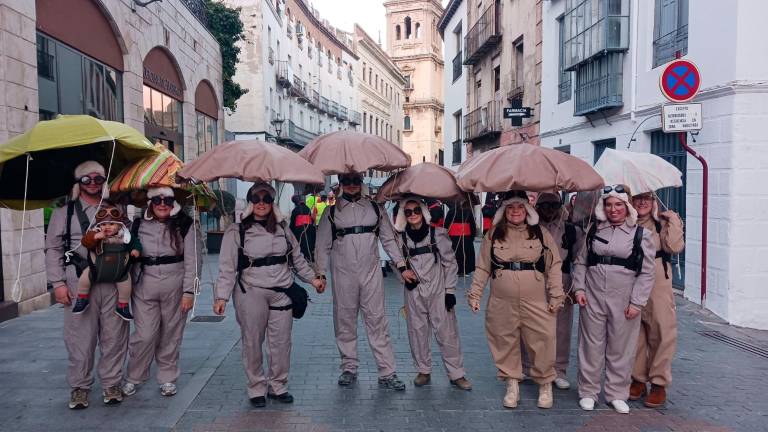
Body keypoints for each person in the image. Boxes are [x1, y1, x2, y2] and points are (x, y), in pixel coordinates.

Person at [214, 183, 324, 407]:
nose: (261, 203)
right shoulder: (237, 231)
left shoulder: (283, 228)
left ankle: (278, 386)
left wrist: (313, 279)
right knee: (253, 341)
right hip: (251, 291)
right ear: (250, 202)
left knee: (281, 343)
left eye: (266, 198)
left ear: (272, 202)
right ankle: (256, 387)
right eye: (256, 198)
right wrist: (221, 297)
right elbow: (227, 267)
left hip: (282, 290)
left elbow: (297, 258)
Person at [315, 172, 417, 390]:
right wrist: (320, 273)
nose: (351, 185)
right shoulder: (331, 213)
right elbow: (322, 245)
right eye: (347, 181)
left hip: (370, 274)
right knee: (344, 321)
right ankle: (348, 368)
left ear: (361, 183)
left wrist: (402, 266)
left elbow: (389, 240)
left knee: (377, 321)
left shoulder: (375, 209)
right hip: (343, 275)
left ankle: (387, 372)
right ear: (341, 184)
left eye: (355, 181)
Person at [468, 190, 564, 409]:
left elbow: (555, 264)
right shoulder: (493, 234)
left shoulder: (540, 233)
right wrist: (475, 294)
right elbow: (483, 266)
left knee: (543, 340)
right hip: (502, 301)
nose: (515, 212)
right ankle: (512, 384)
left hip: (536, 300)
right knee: (504, 340)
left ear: (527, 209)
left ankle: (545, 384)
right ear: (504, 211)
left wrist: (557, 294)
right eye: (510, 208)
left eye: (520, 207)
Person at [45, 160, 129, 409]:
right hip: (78, 282)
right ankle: (80, 387)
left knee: (115, 335)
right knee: (79, 337)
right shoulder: (64, 213)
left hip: (113, 281)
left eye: (99, 178)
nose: (93, 183)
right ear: (79, 182)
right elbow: (53, 249)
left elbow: (129, 240)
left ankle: (112, 383)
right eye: (87, 179)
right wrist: (57, 283)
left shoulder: (116, 209)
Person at [572, 185, 656, 414]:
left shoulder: (641, 234)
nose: (613, 209)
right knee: (590, 346)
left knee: (621, 348)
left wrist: (637, 302)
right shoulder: (593, 230)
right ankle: (588, 391)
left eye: (618, 204)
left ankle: (617, 393)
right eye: (609, 204)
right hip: (593, 295)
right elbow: (581, 261)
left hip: (624, 297)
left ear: (627, 207)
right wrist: (579, 289)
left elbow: (647, 272)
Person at [122, 187, 201, 398]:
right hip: (144, 284)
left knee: (171, 335)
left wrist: (189, 292)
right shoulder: (138, 225)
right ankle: (134, 376)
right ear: (150, 202)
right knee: (144, 335)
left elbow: (193, 261)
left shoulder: (185, 225)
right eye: (157, 199)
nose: (162, 204)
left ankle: (167, 377)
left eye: (167, 200)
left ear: (174, 202)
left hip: (174, 284)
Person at [395, 197, 472, 390]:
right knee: (417, 332)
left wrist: (450, 290)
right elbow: (395, 262)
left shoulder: (438, 234)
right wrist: (403, 276)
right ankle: (423, 371)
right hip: (414, 293)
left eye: (416, 211)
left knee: (448, 334)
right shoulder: (400, 238)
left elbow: (450, 263)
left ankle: (457, 374)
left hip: (438, 291)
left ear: (423, 212)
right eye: (408, 212)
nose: (413, 215)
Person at [629, 191, 685, 407]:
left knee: (662, 331)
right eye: (637, 198)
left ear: (653, 201)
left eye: (647, 198)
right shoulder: (626, 222)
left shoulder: (661, 223)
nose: (642, 202)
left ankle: (659, 383)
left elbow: (674, 247)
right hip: (631, 278)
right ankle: (638, 379)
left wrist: (674, 220)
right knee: (634, 333)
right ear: (631, 201)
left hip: (657, 279)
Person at [533, 193, 581, 390]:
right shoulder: (530, 227)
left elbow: (580, 259)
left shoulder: (570, 229)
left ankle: (559, 370)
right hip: (535, 279)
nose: (549, 209)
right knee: (532, 325)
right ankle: (532, 367)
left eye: (553, 205)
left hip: (562, 279)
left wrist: (576, 287)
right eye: (544, 205)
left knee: (561, 328)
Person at [71, 202, 141, 321]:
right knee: (84, 279)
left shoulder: (125, 236)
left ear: (119, 226)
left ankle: (123, 306)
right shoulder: (95, 234)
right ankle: (82, 298)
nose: (107, 227)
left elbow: (136, 243)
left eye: (112, 224)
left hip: (120, 272)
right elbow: (85, 242)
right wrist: (95, 237)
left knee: (126, 284)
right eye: (103, 224)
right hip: (96, 269)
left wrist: (136, 250)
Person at [445, 200, 477, 276]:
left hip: (454, 237)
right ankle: (465, 270)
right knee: (465, 254)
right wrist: (472, 236)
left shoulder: (451, 211)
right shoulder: (469, 211)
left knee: (456, 254)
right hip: (466, 237)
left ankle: (455, 270)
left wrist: (447, 236)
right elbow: (473, 225)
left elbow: (446, 225)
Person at [290, 194, 316, 262]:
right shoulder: (307, 208)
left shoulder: (295, 210)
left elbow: (292, 223)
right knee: (309, 243)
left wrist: (290, 232)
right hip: (309, 229)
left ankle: (304, 258)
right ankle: (309, 256)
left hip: (299, 231)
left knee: (301, 245)